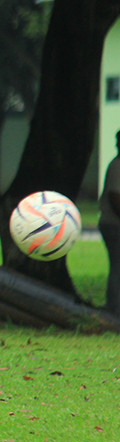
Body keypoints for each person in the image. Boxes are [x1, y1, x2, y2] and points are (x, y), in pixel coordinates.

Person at [99, 130, 120, 313]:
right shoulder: (117, 167)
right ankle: (114, 307)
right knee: (117, 266)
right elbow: (116, 199)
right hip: (114, 225)